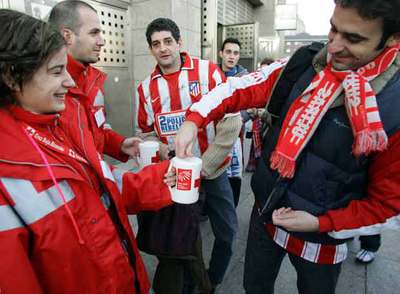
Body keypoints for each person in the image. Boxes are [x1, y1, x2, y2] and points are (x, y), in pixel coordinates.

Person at [174, 1, 400, 293]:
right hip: (264, 216)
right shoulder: (307, 61)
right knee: (254, 287)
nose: (334, 47)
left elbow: (388, 207)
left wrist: (321, 222)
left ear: (392, 39)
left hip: (322, 241)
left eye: (354, 38)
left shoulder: (394, 105)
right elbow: (239, 87)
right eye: (333, 29)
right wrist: (194, 119)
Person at [0, 9, 176, 293]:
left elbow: (97, 190)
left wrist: (162, 179)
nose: (69, 83)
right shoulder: (11, 166)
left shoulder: (57, 123)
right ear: (11, 77)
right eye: (57, 71)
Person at [135, 18, 241, 293]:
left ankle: (212, 279)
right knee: (182, 241)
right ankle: (195, 284)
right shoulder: (146, 88)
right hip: (175, 177)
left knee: (228, 233)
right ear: (150, 49)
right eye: (156, 44)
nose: (163, 49)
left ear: (179, 42)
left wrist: (204, 166)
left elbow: (231, 121)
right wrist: (158, 148)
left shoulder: (210, 73)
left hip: (213, 172)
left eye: (168, 41)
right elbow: (146, 132)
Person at [48, 1, 140, 162]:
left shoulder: (93, 78)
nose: (102, 41)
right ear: (67, 36)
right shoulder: (44, 87)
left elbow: (96, 130)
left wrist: (121, 144)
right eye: (94, 33)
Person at [219, 37, 249, 207]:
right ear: (221, 53)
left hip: (235, 136)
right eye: (228, 52)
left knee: (234, 174)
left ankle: (232, 205)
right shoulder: (210, 74)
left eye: (235, 53)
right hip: (212, 135)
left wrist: (235, 118)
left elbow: (250, 107)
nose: (231, 56)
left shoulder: (245, 79)